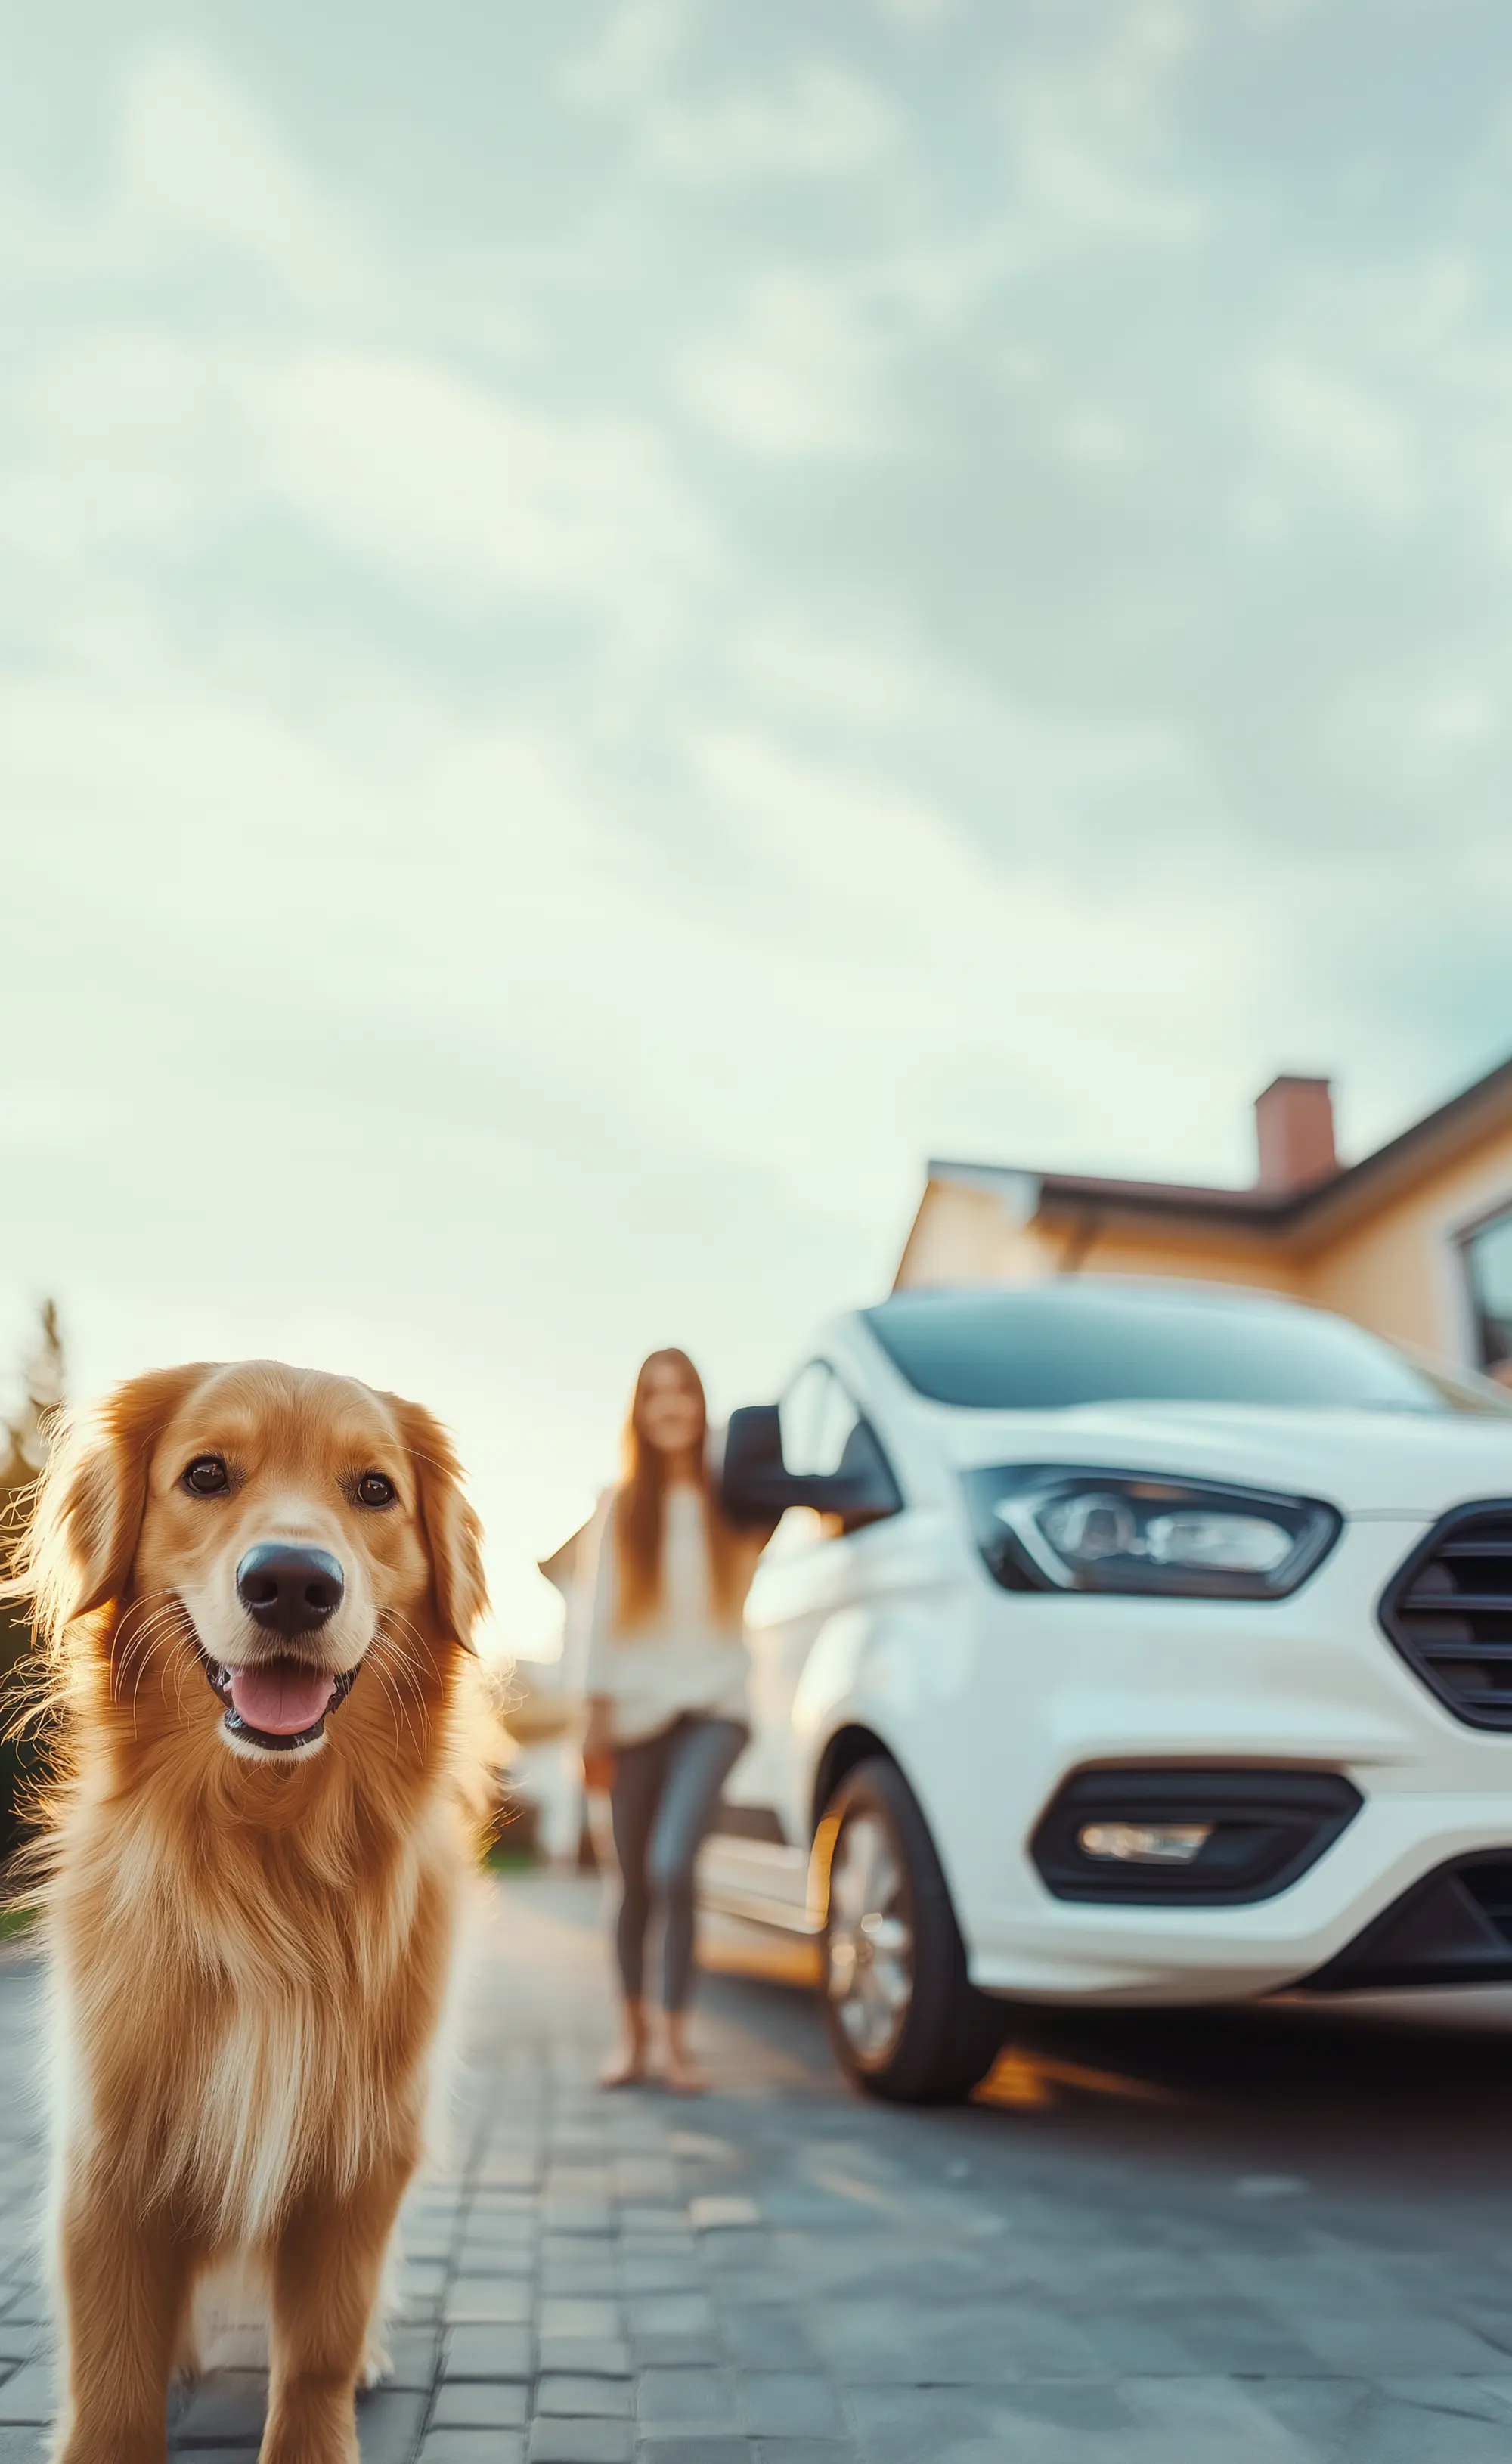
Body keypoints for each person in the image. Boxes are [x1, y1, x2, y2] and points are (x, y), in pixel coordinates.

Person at [582, 1347, 764, 2094]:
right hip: (631, 1717)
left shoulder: (736, 1507)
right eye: (654, 1394)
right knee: (631, 1884)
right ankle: (631, 2039)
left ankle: (676, 2044)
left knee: (671, 1865)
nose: (669, 1407)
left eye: (682, 1392)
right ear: (639, 1409)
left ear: (701, 1405)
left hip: (714, 1711)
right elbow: (596, 1622)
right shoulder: (621, 1506)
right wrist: (592, 1722)